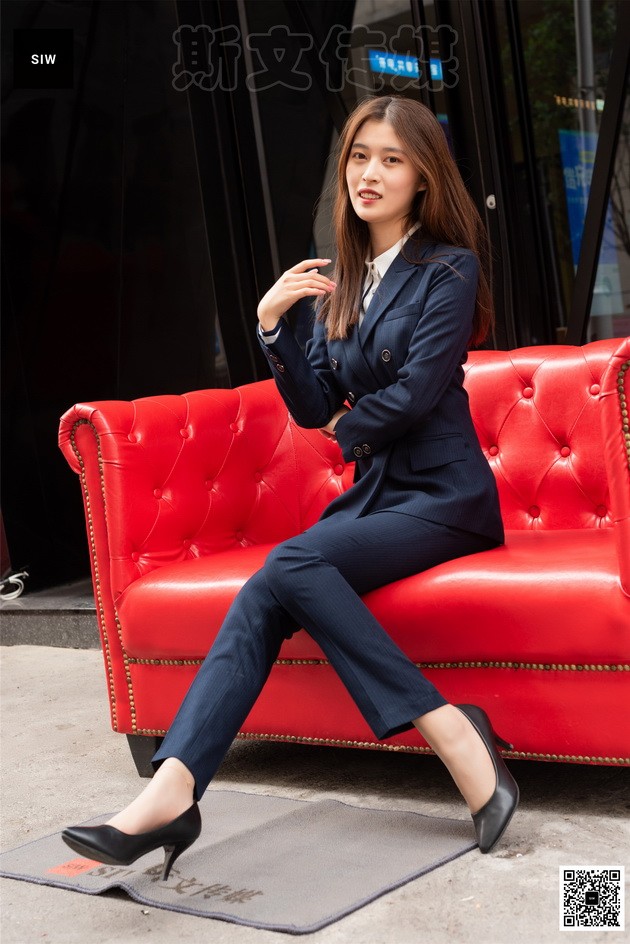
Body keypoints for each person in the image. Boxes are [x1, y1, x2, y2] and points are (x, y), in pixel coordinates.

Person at [62, 94, 519, 879]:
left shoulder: (448, 267)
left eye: (392, 159)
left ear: (422, 178)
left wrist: (347, 427)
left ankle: (450, 731)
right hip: (376, 496)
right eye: (358, 156)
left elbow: (414, 394)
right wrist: (273, 324)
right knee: (267, 589)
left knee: (288, 564)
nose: (369, 173)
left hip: (445, 496)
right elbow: (313, 406)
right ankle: (171, 793)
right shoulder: (337, 279)